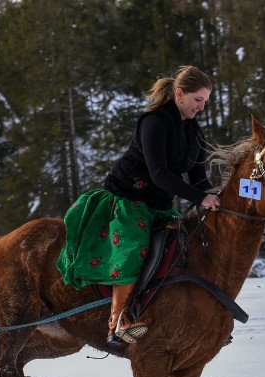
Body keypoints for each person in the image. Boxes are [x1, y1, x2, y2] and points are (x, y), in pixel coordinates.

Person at [57, 65, 221, 346]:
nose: (202, 107)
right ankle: (118, 321)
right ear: (179, 94)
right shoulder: (154, 122)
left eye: (205, 101)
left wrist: (218, 197)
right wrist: (200, 198)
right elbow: (160, 174)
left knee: (183, 251)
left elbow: (198, 179)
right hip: (128, 200)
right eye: (198, 100)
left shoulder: (194, 130)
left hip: (160, 205)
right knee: (134, 249)